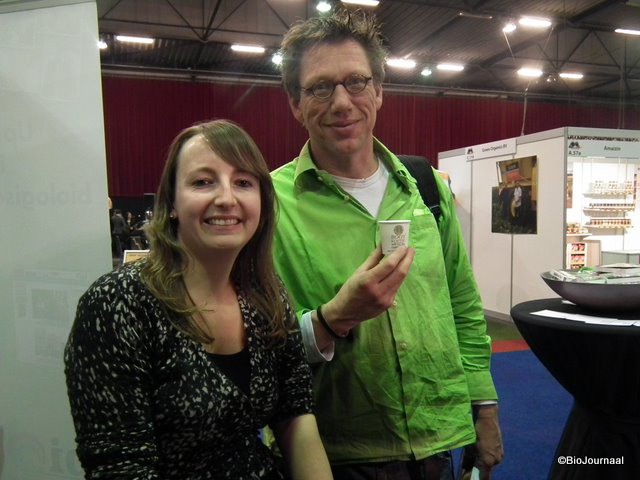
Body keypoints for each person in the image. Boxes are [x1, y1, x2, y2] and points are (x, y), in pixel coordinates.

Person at [271, 8, 503, 480]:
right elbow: (255, 344)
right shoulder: (269, 205)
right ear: (295, 103)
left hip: (439, 442)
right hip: (334, 454)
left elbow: (461, 301)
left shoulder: (426, 187)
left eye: (356, 82)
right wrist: (333, 318)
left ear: (378, 91)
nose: (342, 102)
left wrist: (484, 406)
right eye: (320, 87)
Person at [64, 119, 332, 479]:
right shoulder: (117, 303)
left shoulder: (266, 295)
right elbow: (120, 466)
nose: (226, 198)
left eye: (243, 182)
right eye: (203, 182)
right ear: (172, 203)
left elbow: (295, 415)